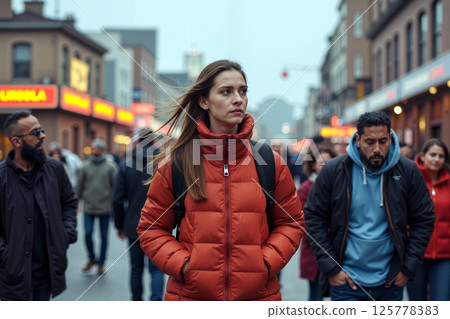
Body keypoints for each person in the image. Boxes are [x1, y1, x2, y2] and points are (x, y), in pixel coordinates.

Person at [137, 60, 304, 301]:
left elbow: (292, 222)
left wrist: (264, 264)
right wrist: (186, 266)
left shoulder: (268, 161)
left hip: (257, 298)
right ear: (204, 101)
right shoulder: (178, 163)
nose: (238, 99)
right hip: (191, 299)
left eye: (243, 91)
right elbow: (151, 228)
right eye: (226, 91)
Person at [304, 112, 435, 301]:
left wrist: (407, 268)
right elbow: (313, 217)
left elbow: (424, 219)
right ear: (358, 140)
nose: (377, 149)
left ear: (390, 138)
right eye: (370, 142)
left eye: (383, 141)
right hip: (346, 283)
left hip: (390, 282)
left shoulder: (407, 170)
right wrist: (331, 268)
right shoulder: (334, 170)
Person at [0, 112, 77, 301]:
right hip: (12, 275)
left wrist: (65, 235)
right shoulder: (1, 176)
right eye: (35, 133)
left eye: (41, 130)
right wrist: (5, 256)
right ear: (17, 141)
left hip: (47, 273)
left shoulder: (55, 169)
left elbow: (69, 203)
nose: (42, 135)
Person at [112, 129, 164, 301]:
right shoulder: (163, 162)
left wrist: (119, 224)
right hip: (159, 224)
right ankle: (155, 302)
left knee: (136, 268)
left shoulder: (126, 163)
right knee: (156, 268)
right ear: (154, 141)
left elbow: (118, 199)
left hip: (133, 224)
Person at [406, 138, 450, 301]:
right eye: (433, 155)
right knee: (418, 305)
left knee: (442, 303)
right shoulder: (410, 178)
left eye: (441, 156)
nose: (437, 160)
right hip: (415, 255)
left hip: (445, 256)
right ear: (423, 156)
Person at [297, 146, 336, 301]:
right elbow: (304, 224)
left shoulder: (340, 185)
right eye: (321, 162)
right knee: (316, 298)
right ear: (313, 165)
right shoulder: (306, 189)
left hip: (338, 252)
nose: (325, 166)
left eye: (329, 162)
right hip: (316, 254)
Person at [76, 138, 118, 275]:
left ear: (102, 150)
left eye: (95, 148)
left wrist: (114, 206)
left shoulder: (111, 167)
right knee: (87, 233)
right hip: (88, 207)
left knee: (104, 236)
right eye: (92, 148)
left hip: (105, 208)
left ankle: (101, 263)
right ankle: (91, 258)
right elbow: (79, 187)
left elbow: (116, 188)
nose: (93, 151)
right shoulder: (85, 166)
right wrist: (76, 203)